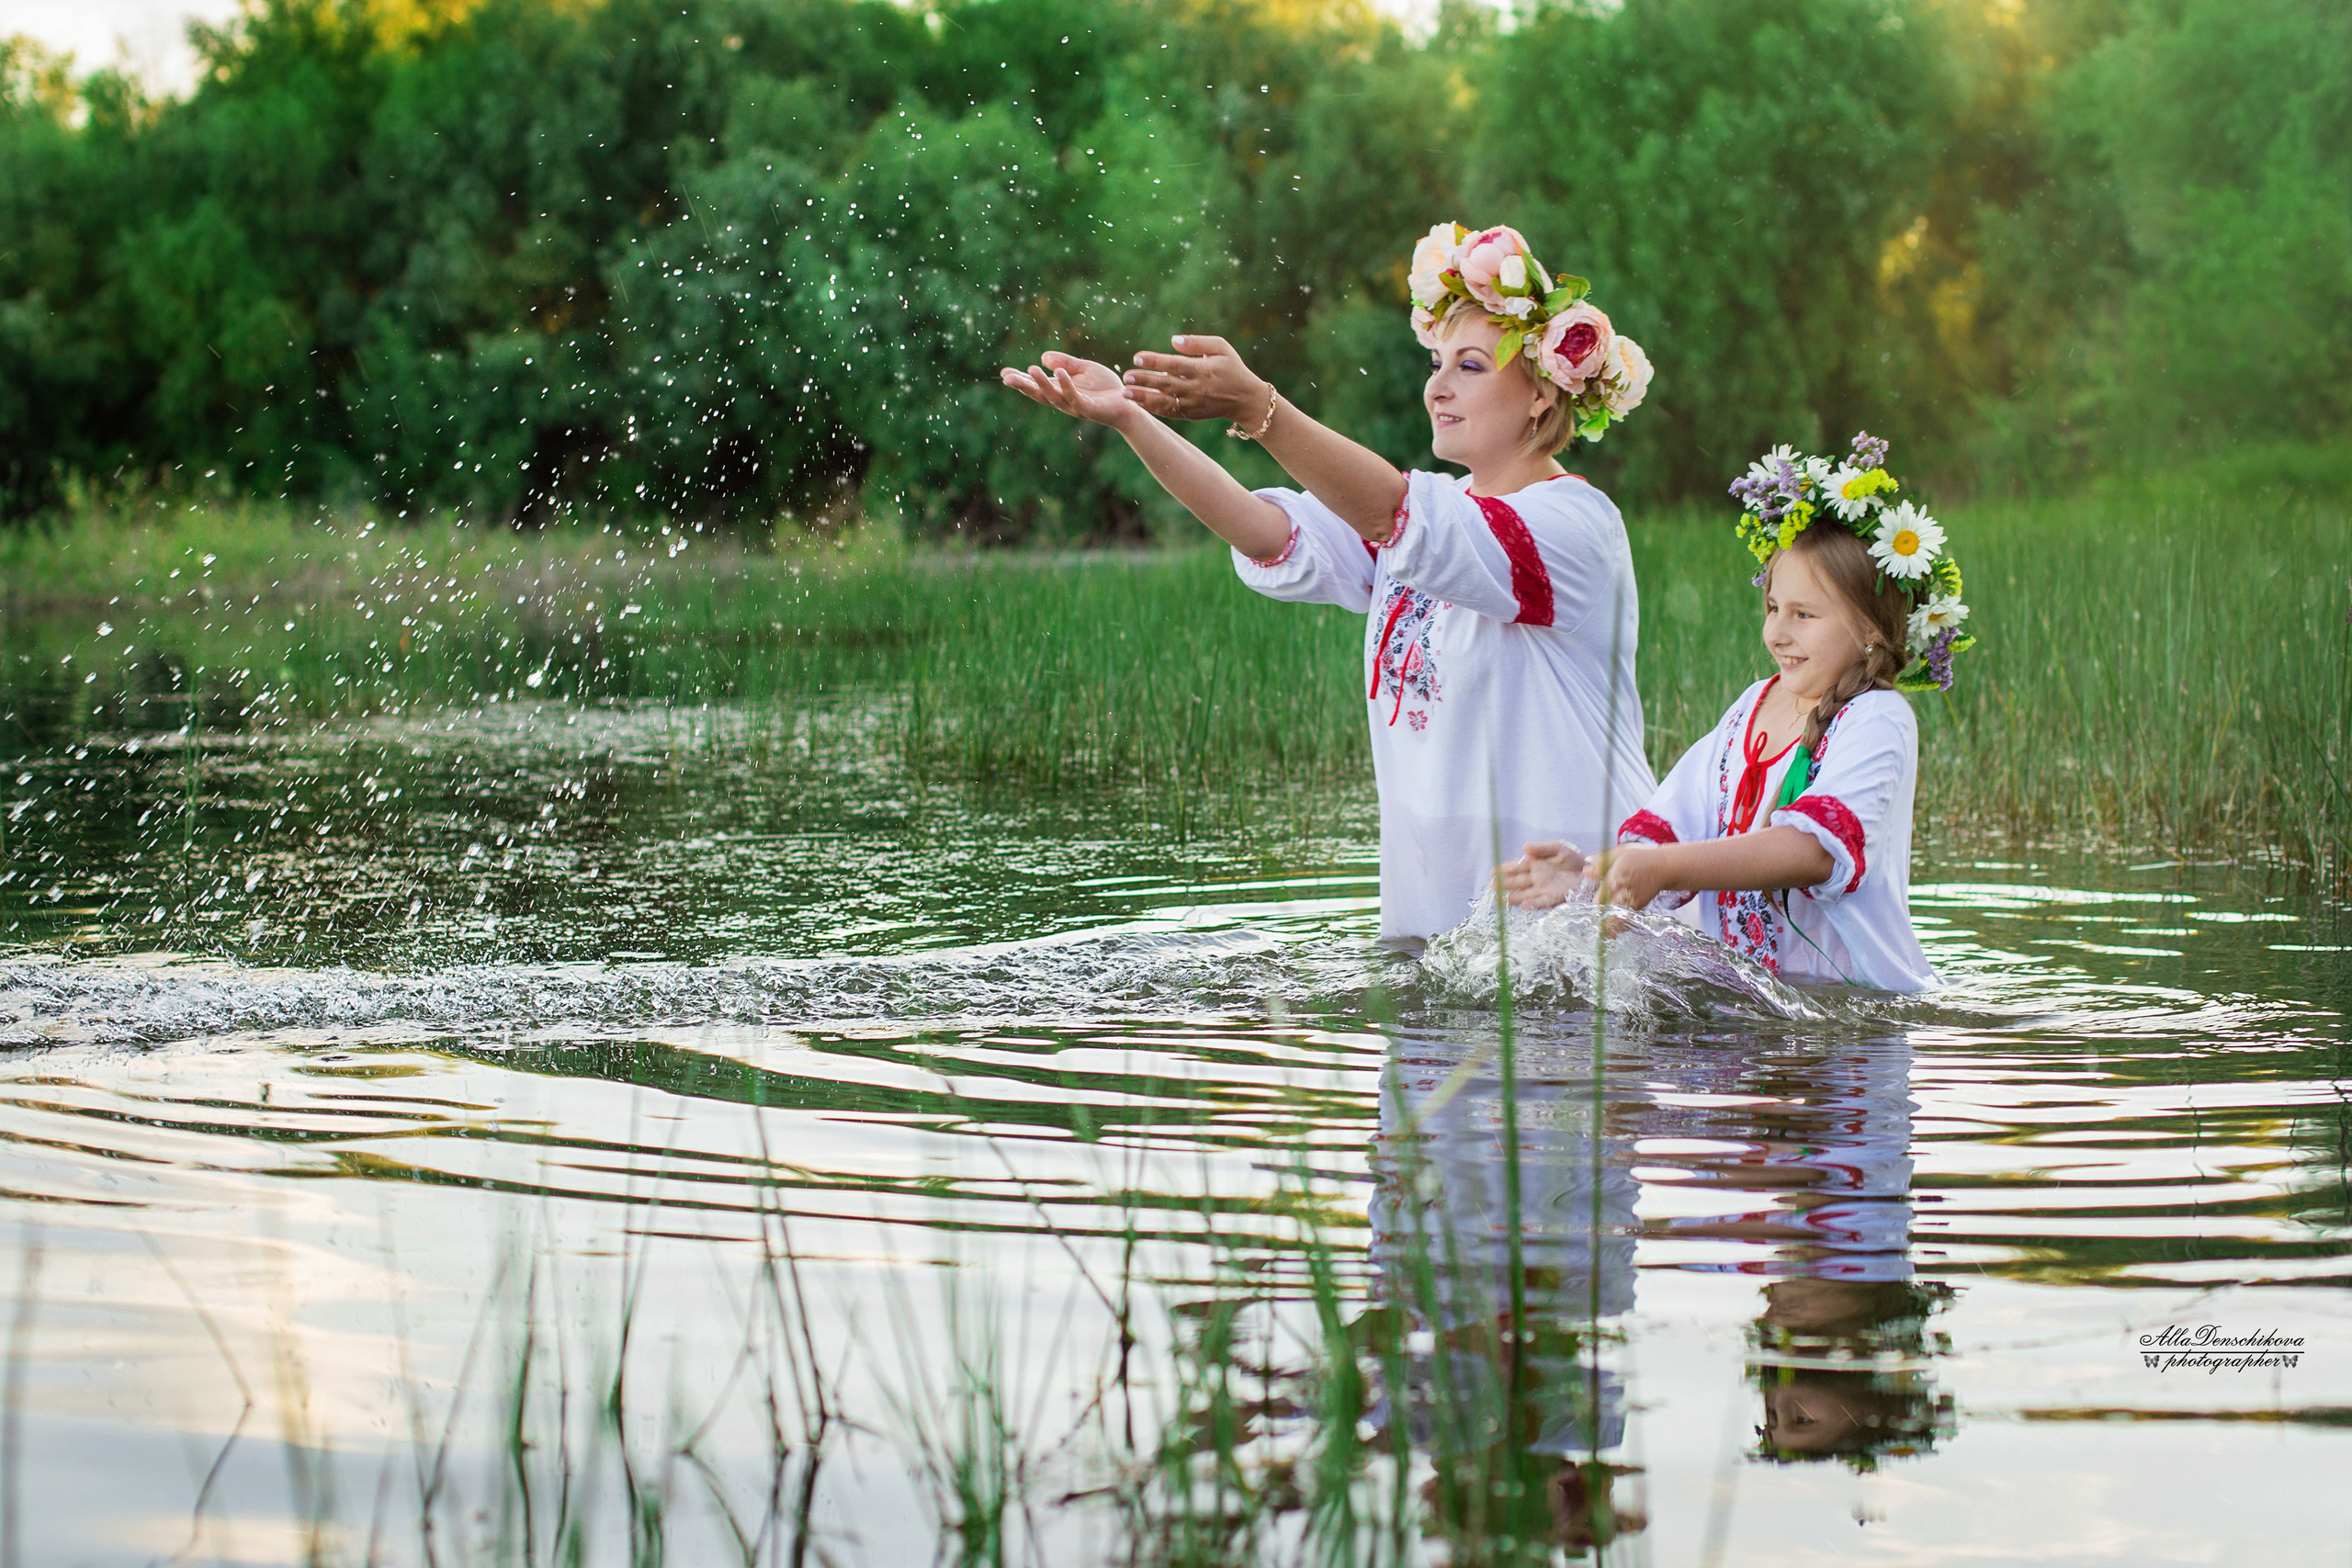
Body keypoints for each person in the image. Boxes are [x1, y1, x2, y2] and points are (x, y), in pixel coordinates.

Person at [1002, 223, 1659, 942]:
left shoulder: (1573, 527)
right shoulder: (1430, 530)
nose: (1436, 388)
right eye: (1435, 363)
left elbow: (1395, 512)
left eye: (1469, 367)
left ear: (1540, 394)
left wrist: (1260, 408)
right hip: (1443, 938)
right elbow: (1265, 530)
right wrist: (1129, 419)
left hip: (1584, 936)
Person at [1500, 434, 1974, 992]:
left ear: (1869, 630)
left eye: (1804, 614)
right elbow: (1671, 832)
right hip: (1755, 1002)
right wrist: (1587, 875)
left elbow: (1813, 851)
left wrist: (1665, 870)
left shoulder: (1877, 719)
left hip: (1853, 1013)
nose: (1778, 631)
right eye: (1773, 607)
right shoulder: (1752, 706)